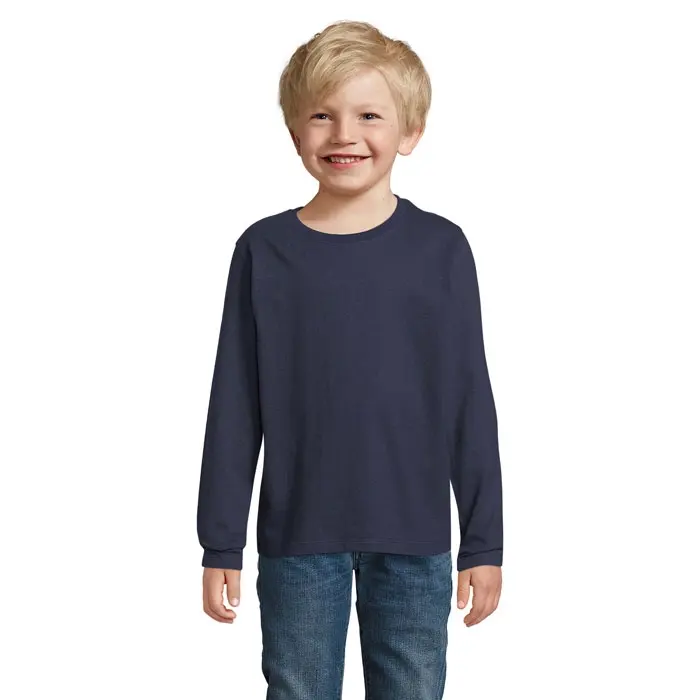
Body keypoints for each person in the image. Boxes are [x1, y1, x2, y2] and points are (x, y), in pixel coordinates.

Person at [196, 19, 503, 699]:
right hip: (298, 540)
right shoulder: (264, 252)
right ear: (293, 132)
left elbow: (468, 400)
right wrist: (220, 540)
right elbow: (234, 404)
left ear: (410, 131)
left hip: (416, 539)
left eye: (369, 115)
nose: (343, 134)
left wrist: (484, 541)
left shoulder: (442, 250)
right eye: (321, 115)